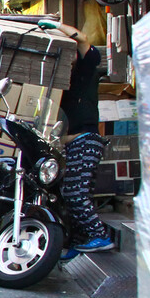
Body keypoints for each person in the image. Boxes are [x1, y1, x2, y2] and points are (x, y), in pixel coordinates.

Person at [38, 20, 114, 257]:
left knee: (75, 192)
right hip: (69, 144)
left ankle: (98, 235)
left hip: (86, 141)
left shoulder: (86, 68)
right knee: (66, 194)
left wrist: (55, 25)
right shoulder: (60, 87)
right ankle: (77, 241)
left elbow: (82, 39)